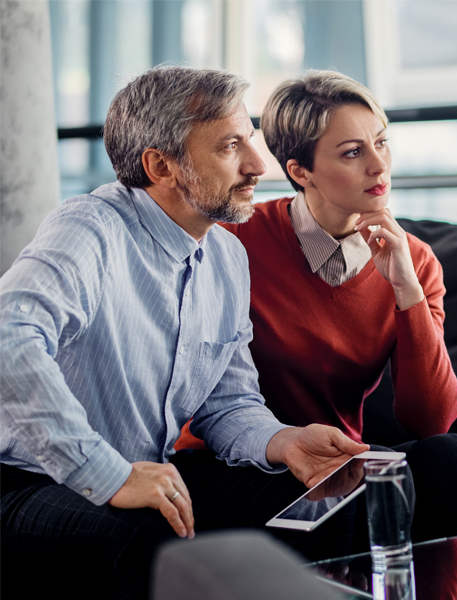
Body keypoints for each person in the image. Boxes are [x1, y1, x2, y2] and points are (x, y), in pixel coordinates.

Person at [0, 67, 372, 599]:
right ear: (161, 165)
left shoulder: (226, 256)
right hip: (27, 482)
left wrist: (283, 440)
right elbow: (9, 339)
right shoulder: (89, 229)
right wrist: (109, 476)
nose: (257, 165)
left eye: (251, 140)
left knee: (323, 504)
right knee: (152, 537)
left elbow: (229, 404)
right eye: (229, 147)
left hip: (152, 472)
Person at [175, 70, 457, 541]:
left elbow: (432, 421)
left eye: (381, 143)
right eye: (352, 153)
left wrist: (407, 290)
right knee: (347, 511)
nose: (379, 167)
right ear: (300, 171)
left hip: (337, 460)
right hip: (232, 460)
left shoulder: (416, 260)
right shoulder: (234, 241)